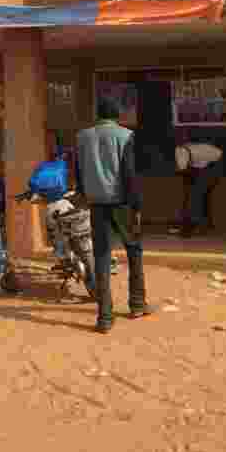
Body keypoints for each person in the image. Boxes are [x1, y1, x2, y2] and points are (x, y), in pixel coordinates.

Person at [75, 95, 150, 334]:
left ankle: (104, 318)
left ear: (98, 114)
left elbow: (79, 171)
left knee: (102, 258)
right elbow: (129, 174)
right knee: (134, 249)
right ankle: (137, 304)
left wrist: (84, 195)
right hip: (122, 203)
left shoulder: (83, 137)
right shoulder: (125, 136)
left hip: (97, 204)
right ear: (117, 115)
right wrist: (137, 206)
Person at [175, 140, 224, 237]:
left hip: (214, 164)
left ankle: (190, 226)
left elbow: (183, 170)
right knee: (200, 195)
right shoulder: (183, 150)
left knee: (195, 195)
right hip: (205, 164)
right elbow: (186, 171)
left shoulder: (181, 151)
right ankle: (203, 224)